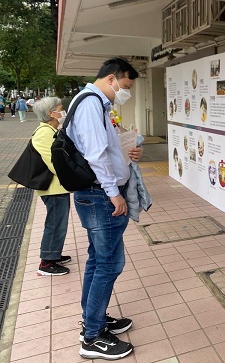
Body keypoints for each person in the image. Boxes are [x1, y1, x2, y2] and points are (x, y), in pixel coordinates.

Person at [67, 57, 142, 360]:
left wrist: (128, 150)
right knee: (109, 263)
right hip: (100, 196)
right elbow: (96, 155)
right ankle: (93, 336)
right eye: (125, 86)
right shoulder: (90, 104)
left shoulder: (98, 105)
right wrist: (115, 195)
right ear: (112, 79)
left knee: (99, 260)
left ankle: (93, 318)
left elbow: (105, 149)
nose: (126, 92)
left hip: (97, 194)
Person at [31, 97, 71, 276]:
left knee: (59, 223)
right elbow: (55, 163)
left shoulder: (51, 130)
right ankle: (46, 262)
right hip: (53, 188)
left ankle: (53, 254)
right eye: (61, 109)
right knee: (55, 224)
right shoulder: (44, 133)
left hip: (58, 187)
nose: (63, 112)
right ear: (51, 113)